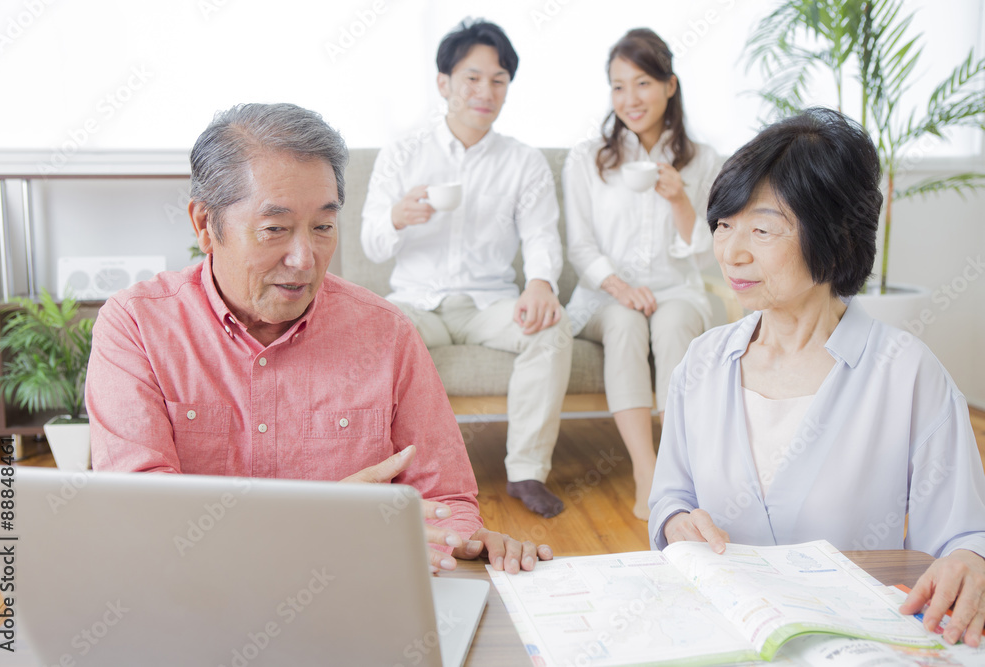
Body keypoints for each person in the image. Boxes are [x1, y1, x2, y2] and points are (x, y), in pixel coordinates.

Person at [86, 102, 552, 575]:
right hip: (197, 594)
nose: (304, 259)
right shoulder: (136, 326)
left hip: (355, 591)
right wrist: (320, 521)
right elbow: (142, 516)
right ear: (206, 224)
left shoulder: (386, 333)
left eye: (323, 227)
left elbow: (445, 500)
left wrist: (462, 540)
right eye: (275, 229)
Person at [647, 107, 985, 647]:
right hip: (722, 638)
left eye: (762, 229)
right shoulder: (702, 362)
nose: (731, 252)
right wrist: (675, 523)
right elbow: (670, 496)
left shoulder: (907, 373)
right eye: (724, 225)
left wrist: (969, 561)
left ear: (834, 235)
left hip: (857, 643)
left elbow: (961, 536)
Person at [360, 19, 572, 518]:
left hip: (488, 304)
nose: (486, 91)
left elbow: (541, 235)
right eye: (472, 78)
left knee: (552, 329)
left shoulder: (524, 161)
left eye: (498, 80)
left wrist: (541, 283)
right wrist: (397, 217)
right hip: (417, 301)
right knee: (372, 336)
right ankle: (383, 471)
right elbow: (371, 243)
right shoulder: (403, 153)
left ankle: (526, 472)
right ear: (444, 83)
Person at [563, 28, 719, 520]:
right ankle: (645, 470)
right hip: (604, 296)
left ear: (670, 85)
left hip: (677, 290)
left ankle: (677, 469)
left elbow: (707, 256)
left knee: (673, 324)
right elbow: (579, 245)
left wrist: (680, 200)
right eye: (618, 86)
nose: (630, 99)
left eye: (643, 83)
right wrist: (620, 288)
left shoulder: (704, 161)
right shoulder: (588, 159)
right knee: (625, 322)